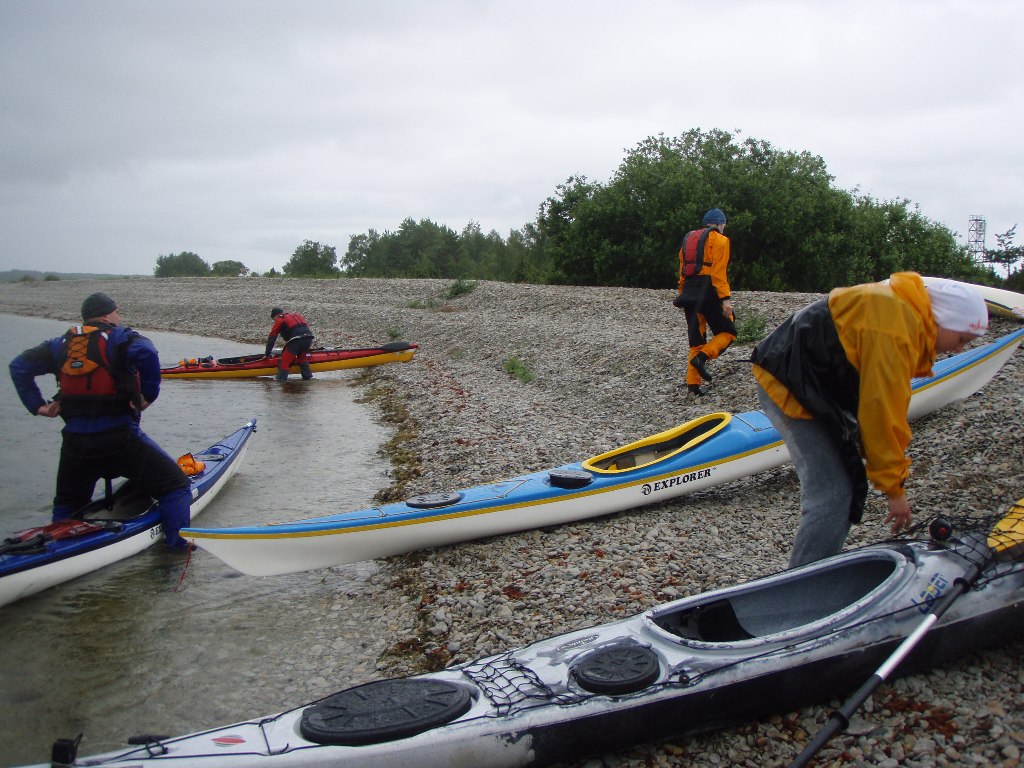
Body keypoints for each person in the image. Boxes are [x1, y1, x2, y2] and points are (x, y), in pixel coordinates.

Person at [750, 273, 988, 567]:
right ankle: (800, 584)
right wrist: (893, 489)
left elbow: (875, 407)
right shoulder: (898, 329)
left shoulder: (906, 314)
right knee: (833, 493)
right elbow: (881, 412)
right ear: (943, 319)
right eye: (962, 338)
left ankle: (814, 570)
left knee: (847, 483)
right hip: (788, 380)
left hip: (816, 382)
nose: (959, 349)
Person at [8, 292, 194, 550]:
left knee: (67, 503)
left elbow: (18, 366)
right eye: (117, 312)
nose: (119, 316)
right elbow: (148, 351)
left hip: (75, 443)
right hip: (120, 439)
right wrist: (148, 396)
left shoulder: (61, 344)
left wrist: (38, 406)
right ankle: (177, 548)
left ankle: (52, 551)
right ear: (108, 314)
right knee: (176, 485)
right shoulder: (120, 338)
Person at [673, 207, 737, 396]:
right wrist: (725, 300)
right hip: (708, 292)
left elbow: (683, 270)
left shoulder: (688, 241)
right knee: (729, 332)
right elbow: (718, 273)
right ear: (720, 224)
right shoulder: (720, 240)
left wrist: (682, 294)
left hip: (689, 293)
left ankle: (693, 386)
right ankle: (702, 358)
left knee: (696, 340)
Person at [265, 307, 315, 381]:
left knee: (284, 362)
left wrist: (267, 353)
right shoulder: (296, 315)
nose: (274, 321)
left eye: (274, 319)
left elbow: (272, 337)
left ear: (276, 316)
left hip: (296, 341)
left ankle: (281, 382)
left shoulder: (280, 320)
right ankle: (307, 379)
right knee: (303, 359)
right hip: (308, 339)